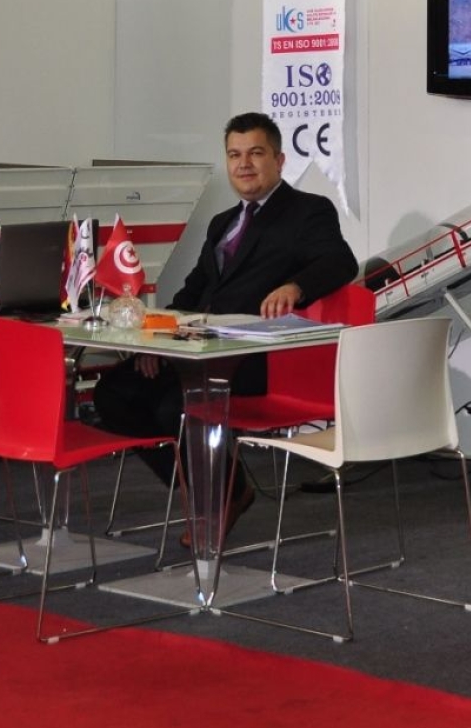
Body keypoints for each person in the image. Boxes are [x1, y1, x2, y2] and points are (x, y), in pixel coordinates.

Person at [91, 111, 357, 541]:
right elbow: (192, 292)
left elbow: (340, 261)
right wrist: (155, 339)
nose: (244, 164)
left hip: (255, 359)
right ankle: (216, 488)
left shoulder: (308, 211)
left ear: (279, 160)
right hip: (197, 350)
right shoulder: (222, 223)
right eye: (234, 155)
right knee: (114, 393)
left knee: (176, 407)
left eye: (256, 153)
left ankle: (218, 497)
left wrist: (295, 287)